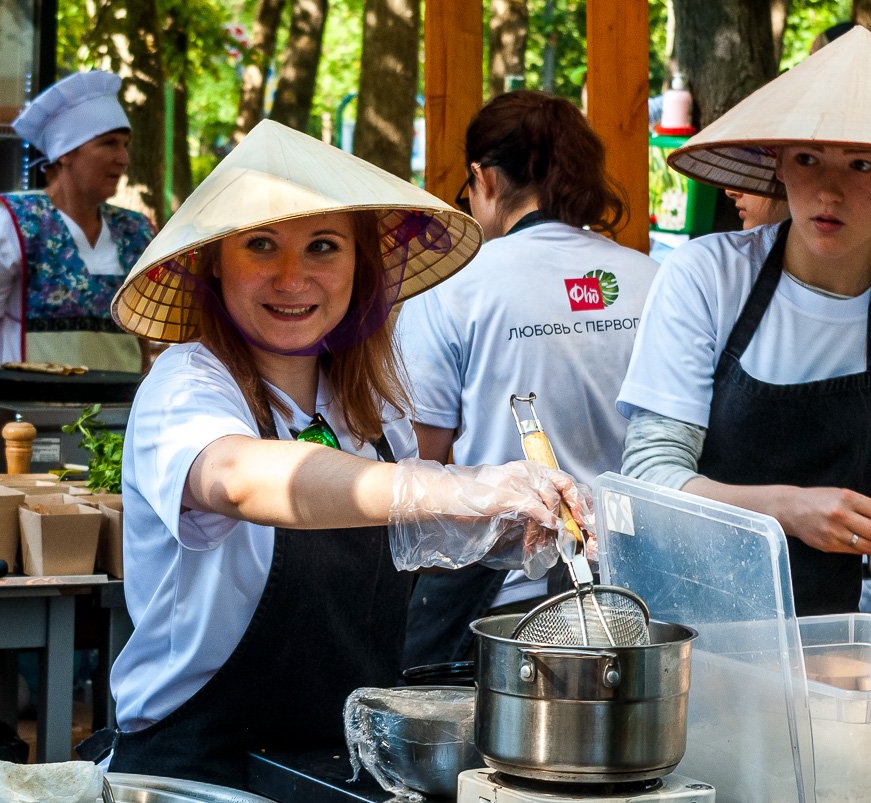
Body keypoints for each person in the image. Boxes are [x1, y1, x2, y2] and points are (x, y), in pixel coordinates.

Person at [98, 119, 589, 789]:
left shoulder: (368, 404)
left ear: (360, 264)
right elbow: (241, 478)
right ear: (213, 261)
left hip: (346, 761)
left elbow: (406, 527)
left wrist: (510, 518)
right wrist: (454, 486)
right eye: (261, 245)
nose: (293, 276)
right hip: (197, 769)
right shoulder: (186, 385)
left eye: (323, 246)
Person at [618, 28, 871, 616]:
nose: (829, 190)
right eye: (808, 159)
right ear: (778, 165)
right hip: (687, 629)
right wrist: (790, 510)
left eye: (862, 165)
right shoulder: (705, 278)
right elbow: (650, 481)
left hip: (841, 645)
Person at [397, 90, 660, 667]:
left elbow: (422, 461)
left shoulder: (451, 287)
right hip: (635, 593)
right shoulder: (652, 280)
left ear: (482, 178)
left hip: (490, 605)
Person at [0, 71, 155, 441]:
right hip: (24, 434)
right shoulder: (13, 226)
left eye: (125, 144)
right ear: (66, 153)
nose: (123, 158)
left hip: (118, 432)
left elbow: (142, 339)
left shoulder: (136, 231)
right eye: (108, 144)